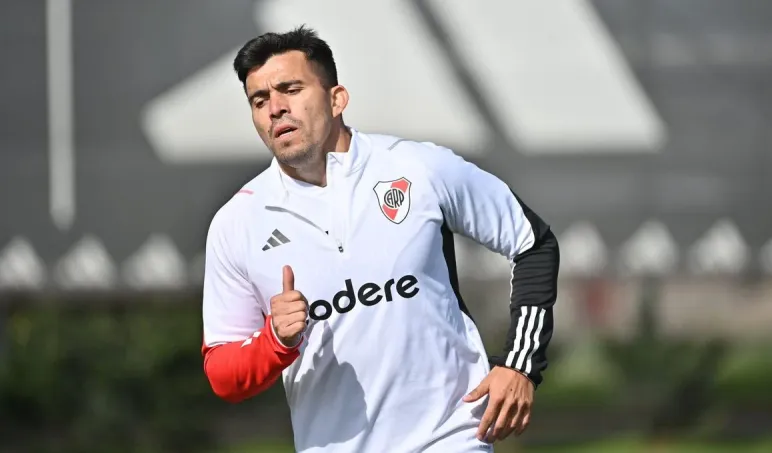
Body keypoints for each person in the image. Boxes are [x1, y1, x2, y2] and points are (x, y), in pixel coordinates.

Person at [201, 25, 560, 453]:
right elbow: (223, 374)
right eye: (259, 100)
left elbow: (532, 242)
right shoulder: (237, 222)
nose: (276, 108)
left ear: (337, 99)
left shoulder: (418, 167)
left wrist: (519, 365)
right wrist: (275, 342)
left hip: (450, 439)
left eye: (291, 90)